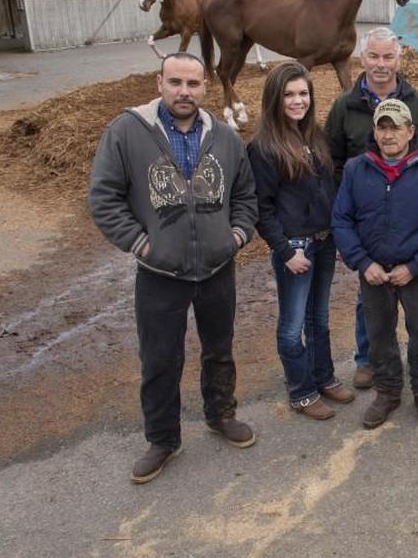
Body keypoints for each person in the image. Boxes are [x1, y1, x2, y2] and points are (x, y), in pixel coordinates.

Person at [88, 52, 258, 484]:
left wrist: (236, 236)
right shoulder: (127, 132)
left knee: (219, 348)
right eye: (176, 82)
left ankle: (221, 415)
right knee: (160, 358)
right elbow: (104, 198)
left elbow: (245, 195)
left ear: (205, 87)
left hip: (216, 268)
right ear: (159, 83)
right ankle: (163, 439)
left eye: (193, 84)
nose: (185, 92)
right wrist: (142, 244)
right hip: (160, 273)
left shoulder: (224, 137)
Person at [325, 27, 418, 392]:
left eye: (388, 56)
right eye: (373, 56)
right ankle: (369, 360)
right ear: (362, 59)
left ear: (399, 59)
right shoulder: (344, 106)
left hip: (409, 222)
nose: (380, 64)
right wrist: (345, 221)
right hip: (365, 217)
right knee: (370, 300)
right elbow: (331, 160)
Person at [332, 98, 418, 429]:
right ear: (374, 131)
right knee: (379, 334)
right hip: (374, 271)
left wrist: (415, 267)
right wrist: (363, 263)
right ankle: (387, 391)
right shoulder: (356, 170)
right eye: (382, 127)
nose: (388, 135)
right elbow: (341, 220)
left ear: (410, 131)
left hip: (415, 271)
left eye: (395, 128)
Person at [247, 62, 355, 421]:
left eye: (303, 93)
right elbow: (262, 208)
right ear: (274, 99)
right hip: (295, 247)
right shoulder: (264, 147)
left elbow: (329, 189)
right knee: (292, 325)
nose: (297, 101)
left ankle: (324, 377)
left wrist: (337, 235)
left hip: (323, 241)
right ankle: (301, 390)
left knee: (318, 318)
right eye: (289, 94)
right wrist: (284, 250)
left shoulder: (314, 137)